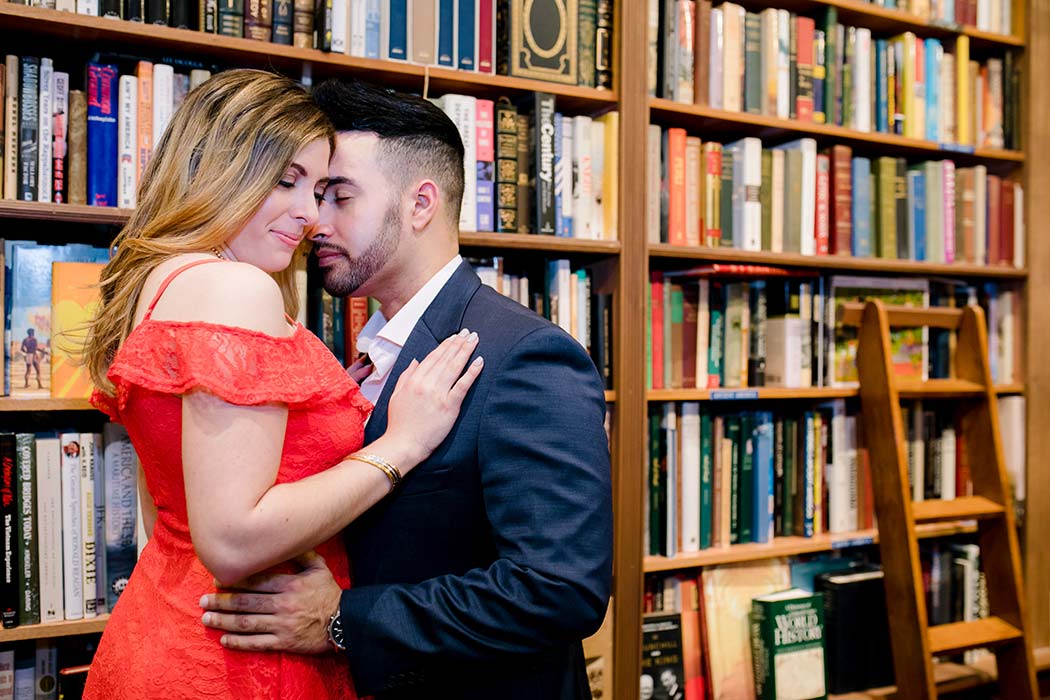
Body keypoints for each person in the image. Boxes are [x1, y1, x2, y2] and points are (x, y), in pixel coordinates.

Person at [200, 80, 613, 698]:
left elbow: (560, 590)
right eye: (313, 195)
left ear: (421, 204)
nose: (314, 220)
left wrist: (343, 620)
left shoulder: (525, 356)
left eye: (338, 196)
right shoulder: (353, 359)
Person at [81, 69, 482, 700]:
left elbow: (179, 497)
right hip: (238, 658)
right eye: (285, 181)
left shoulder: (161, 281)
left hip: (171, 623)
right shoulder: (235, 288)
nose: (309, 216)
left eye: (322, 189)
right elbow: (234, 539)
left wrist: (324, 408)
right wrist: (399, 446)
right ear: (219, 168)